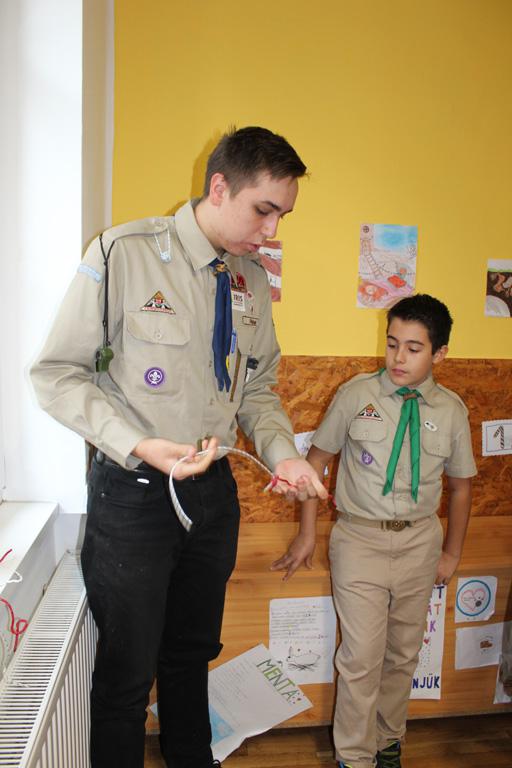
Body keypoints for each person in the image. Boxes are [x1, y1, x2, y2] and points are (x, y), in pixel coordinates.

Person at [30, 126, 327, 768]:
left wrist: (284, 454)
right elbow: (56, 375)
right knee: (126, 676)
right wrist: (140, 444)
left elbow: (258, 388)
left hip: (213, 496)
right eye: (264, 209)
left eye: (282, 215)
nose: (272, 230)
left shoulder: (250, 278)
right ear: (219, 187)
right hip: (135, 496)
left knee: (192, 656)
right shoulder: (123, 253)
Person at [271, 294, 476, 768]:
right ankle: (354, 757)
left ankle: (388, 742)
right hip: (359, 540)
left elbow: (462, 488)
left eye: (413, 348)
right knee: (361, 656)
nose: (398, 358)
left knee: (403, 654)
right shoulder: (356, 395)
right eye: (392, 344)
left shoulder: (452, 410)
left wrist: (451, 553)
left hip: (420, 543)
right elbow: (316, 463)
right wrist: (306, 534)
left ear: (440, 353)